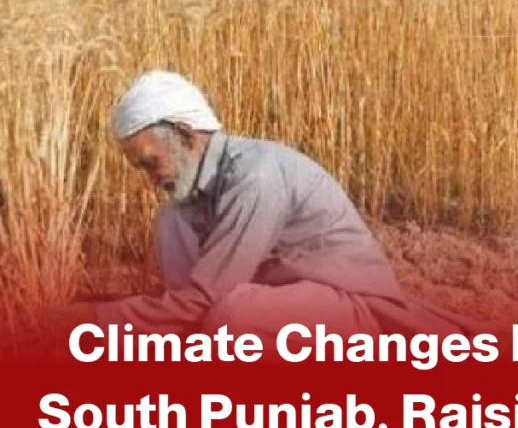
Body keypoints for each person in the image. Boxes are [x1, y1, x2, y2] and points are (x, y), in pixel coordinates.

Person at [31, 69, 487, 347]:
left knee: (232, 318)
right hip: (276, 311)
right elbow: (182, 307)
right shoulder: (178, 208)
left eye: (150, 162)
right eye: (139, 168)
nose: (149, 178)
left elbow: (206, 301)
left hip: (356, 310)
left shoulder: (256, 174)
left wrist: (88, 323)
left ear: (187, 136)